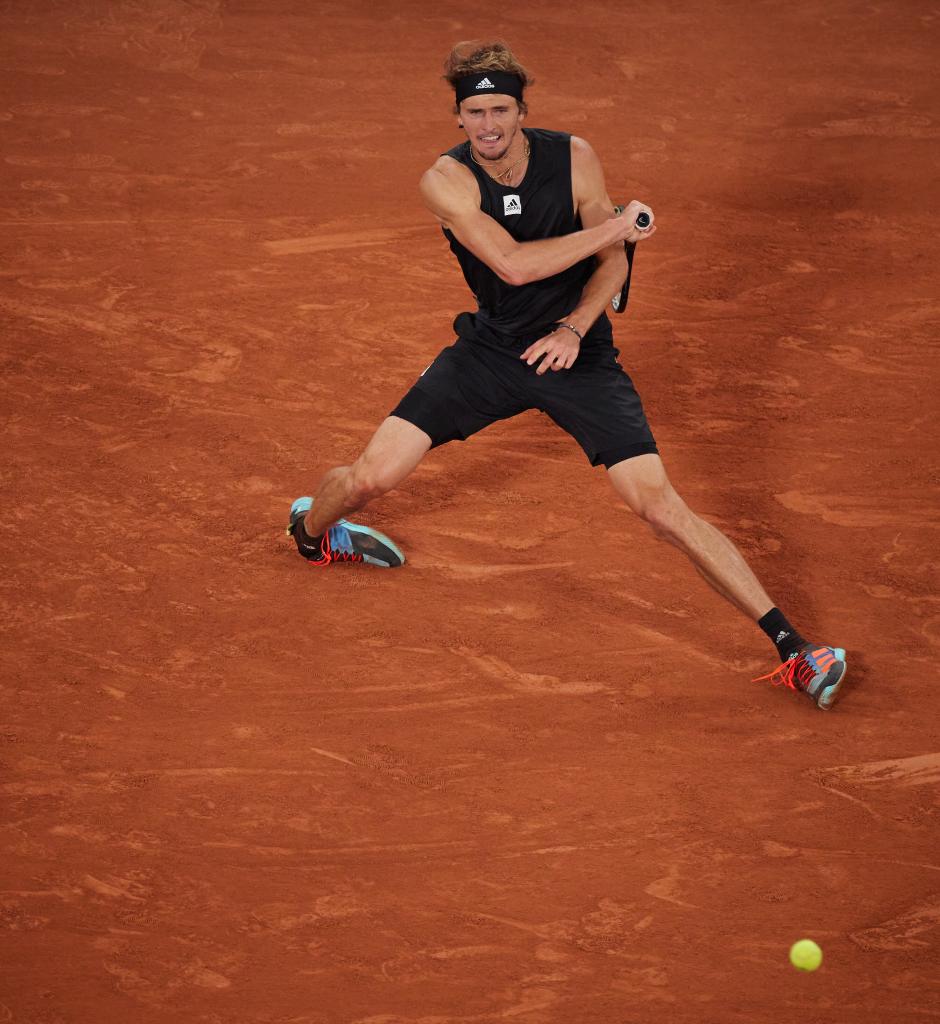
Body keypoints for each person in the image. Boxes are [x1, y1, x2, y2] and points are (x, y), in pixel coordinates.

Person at [286, 40, 848, 709]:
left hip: (579, 354)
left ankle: (795, 650)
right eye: (474, 113)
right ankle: (312, 533)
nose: (487, 124)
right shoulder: (445, 180)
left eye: (500, 110)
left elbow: (612, 269)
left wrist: (576, 327)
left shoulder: (575, 157)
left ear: (522, 112)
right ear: (459, 117)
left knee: (660, 508)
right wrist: (618, 228)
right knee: (369, 479)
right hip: (490, 353)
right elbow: (514, 266)